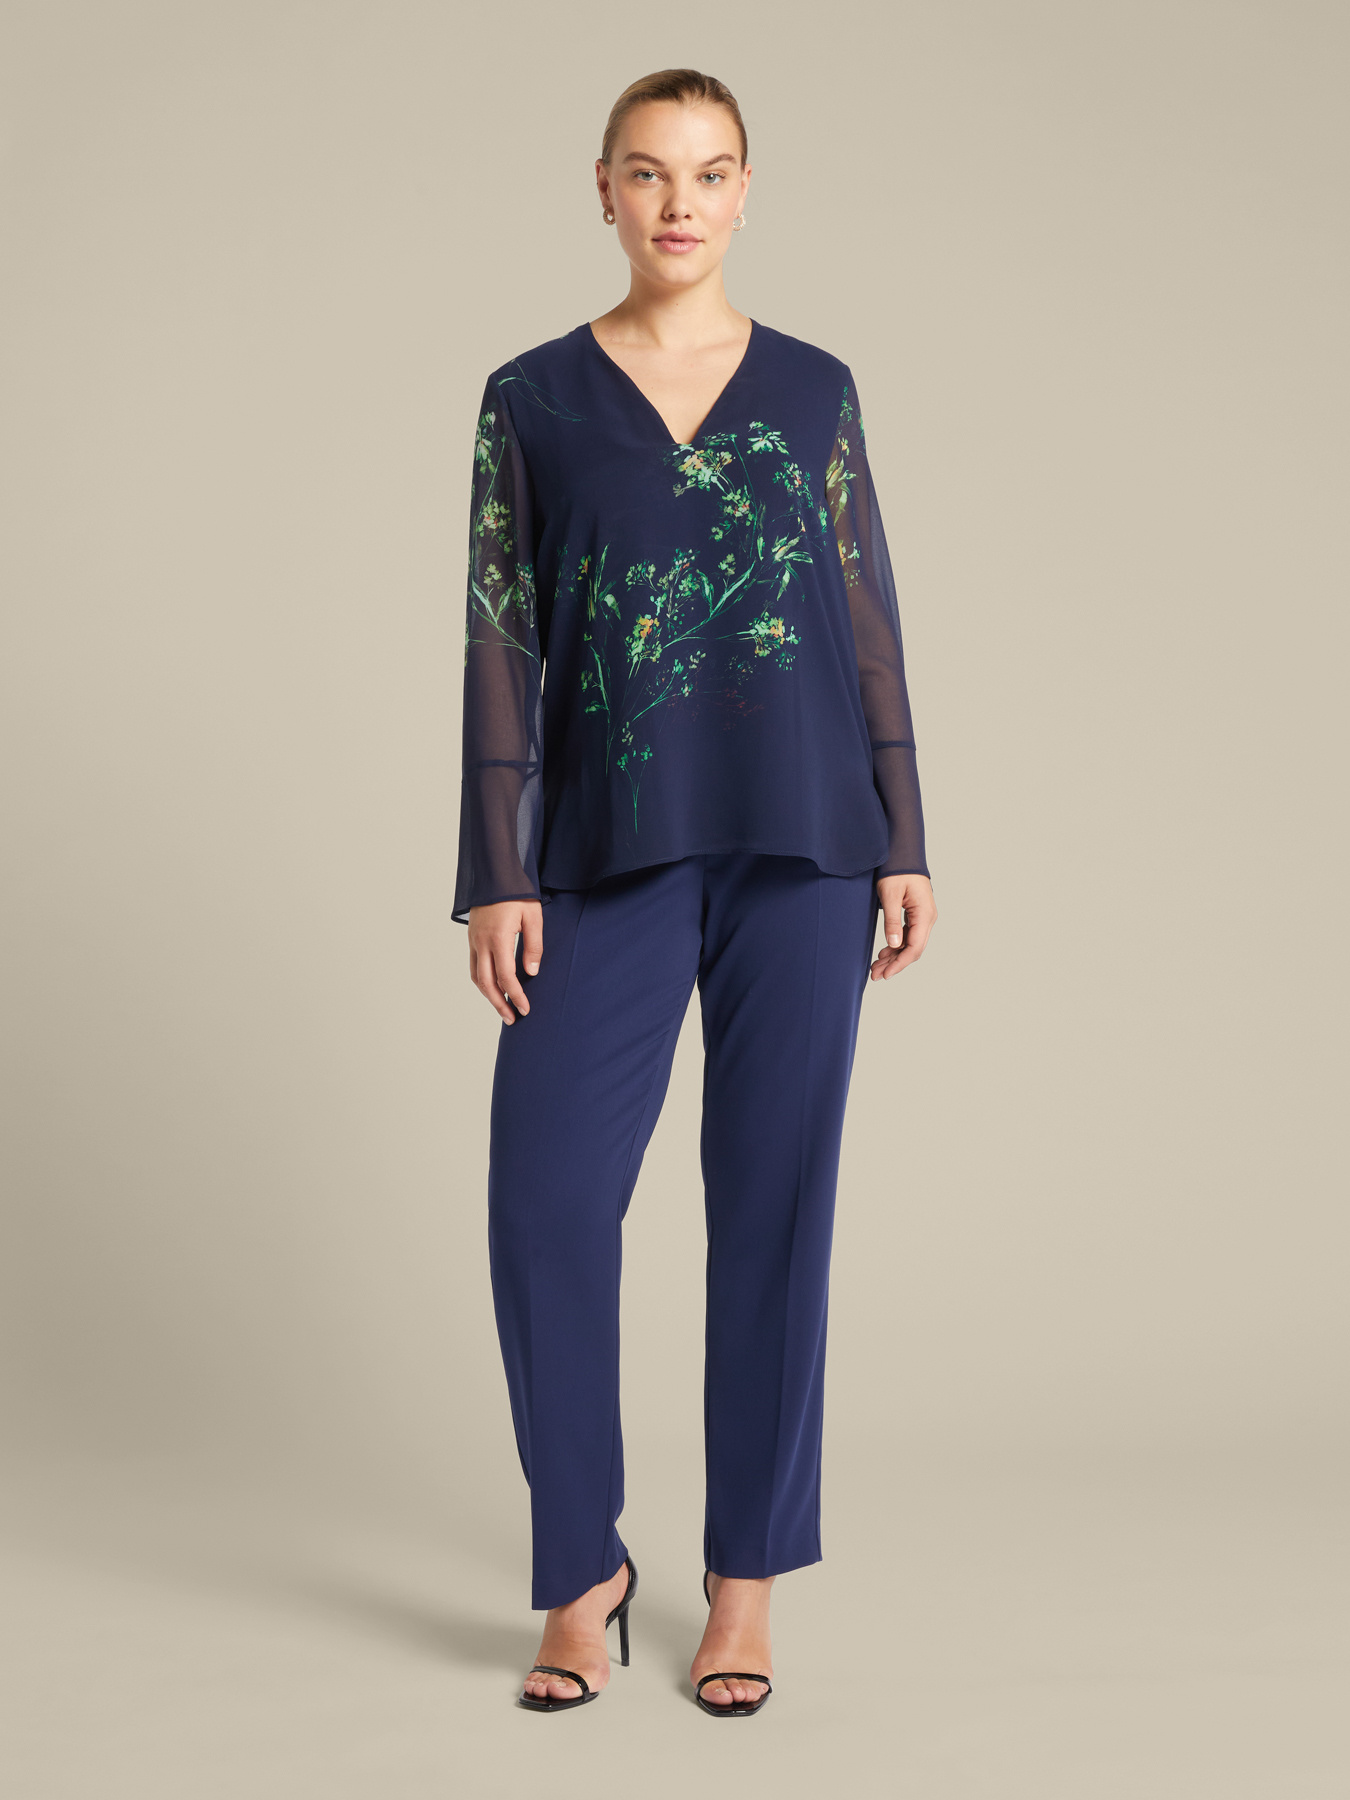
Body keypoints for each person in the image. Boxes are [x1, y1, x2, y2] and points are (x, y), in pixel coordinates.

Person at [453, 67, 936, 1716]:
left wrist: (904, 834)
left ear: (744, 193)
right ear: (601, 189)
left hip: (805, 845)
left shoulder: (812, 390)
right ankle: (578, 1570)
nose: (679, 202)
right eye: (649, 172)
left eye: (710, 172)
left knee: (776, 1208)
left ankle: (744, 1586)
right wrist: (496, 869)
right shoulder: (530, 397)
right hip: (599, 846)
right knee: (543, 1203)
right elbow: (500, 635)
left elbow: (864, 617)